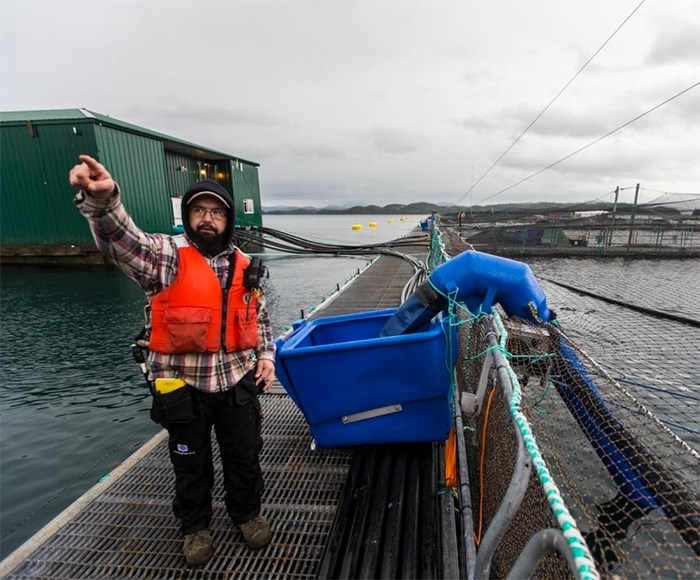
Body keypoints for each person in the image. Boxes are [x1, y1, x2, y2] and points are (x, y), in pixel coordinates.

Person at [69, 155, 276, 568]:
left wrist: (267, 355)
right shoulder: (166, 257)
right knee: (189, 463)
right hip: (181, 387)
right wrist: (106, 202)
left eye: (216, 212)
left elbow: (260, 317)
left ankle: (247, 515)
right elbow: (124, 243)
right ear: (187, 216)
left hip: (236, 381)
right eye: (199, 210)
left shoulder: (246, 266)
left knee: (245, 456)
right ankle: (195, 528)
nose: (207, 219)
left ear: (228, 220)